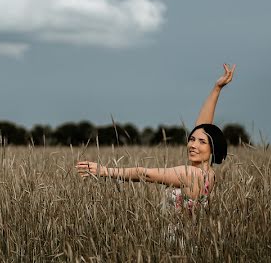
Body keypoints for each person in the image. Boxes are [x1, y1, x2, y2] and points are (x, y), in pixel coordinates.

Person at [75, 63, 236, 213]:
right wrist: (217, 89)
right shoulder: (209, 174)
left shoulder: (190, 174)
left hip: (176, 239)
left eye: (201, 142)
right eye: (192, 139)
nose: (193, 145)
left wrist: (104, 170)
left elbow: (146, 174)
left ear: (213, 148)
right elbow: (204, 127)